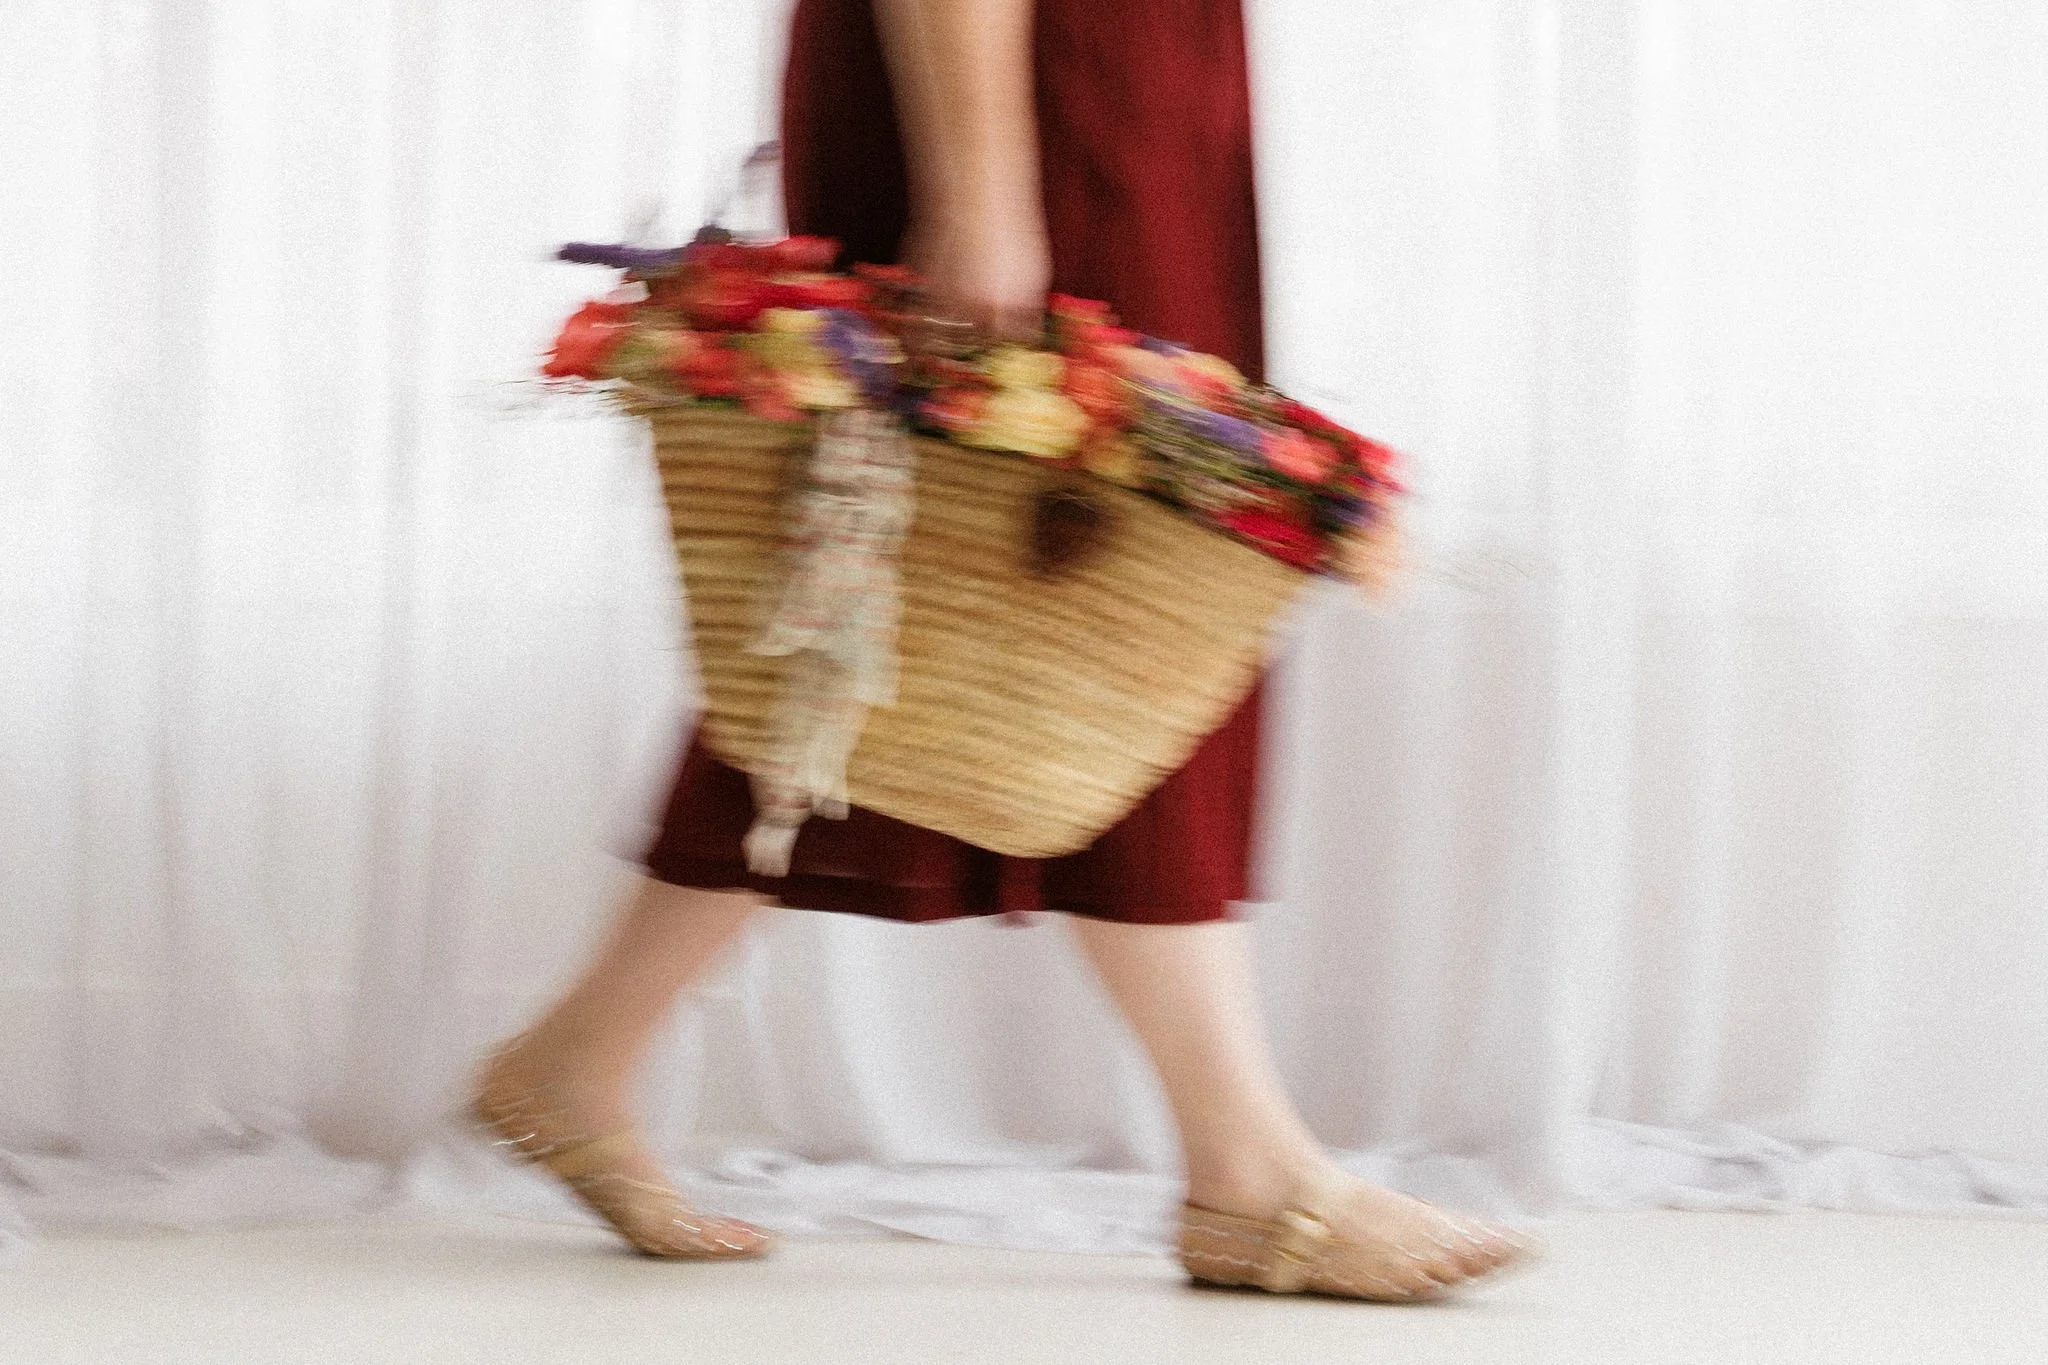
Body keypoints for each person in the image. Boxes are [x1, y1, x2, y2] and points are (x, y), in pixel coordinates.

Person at [473, 0, 1532, 1300]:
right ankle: (1248, 1171)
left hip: (1104, 99)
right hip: (1037, 103)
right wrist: (980, 186)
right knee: (1091, 601)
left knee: (944, 617)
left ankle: (583, 1050)